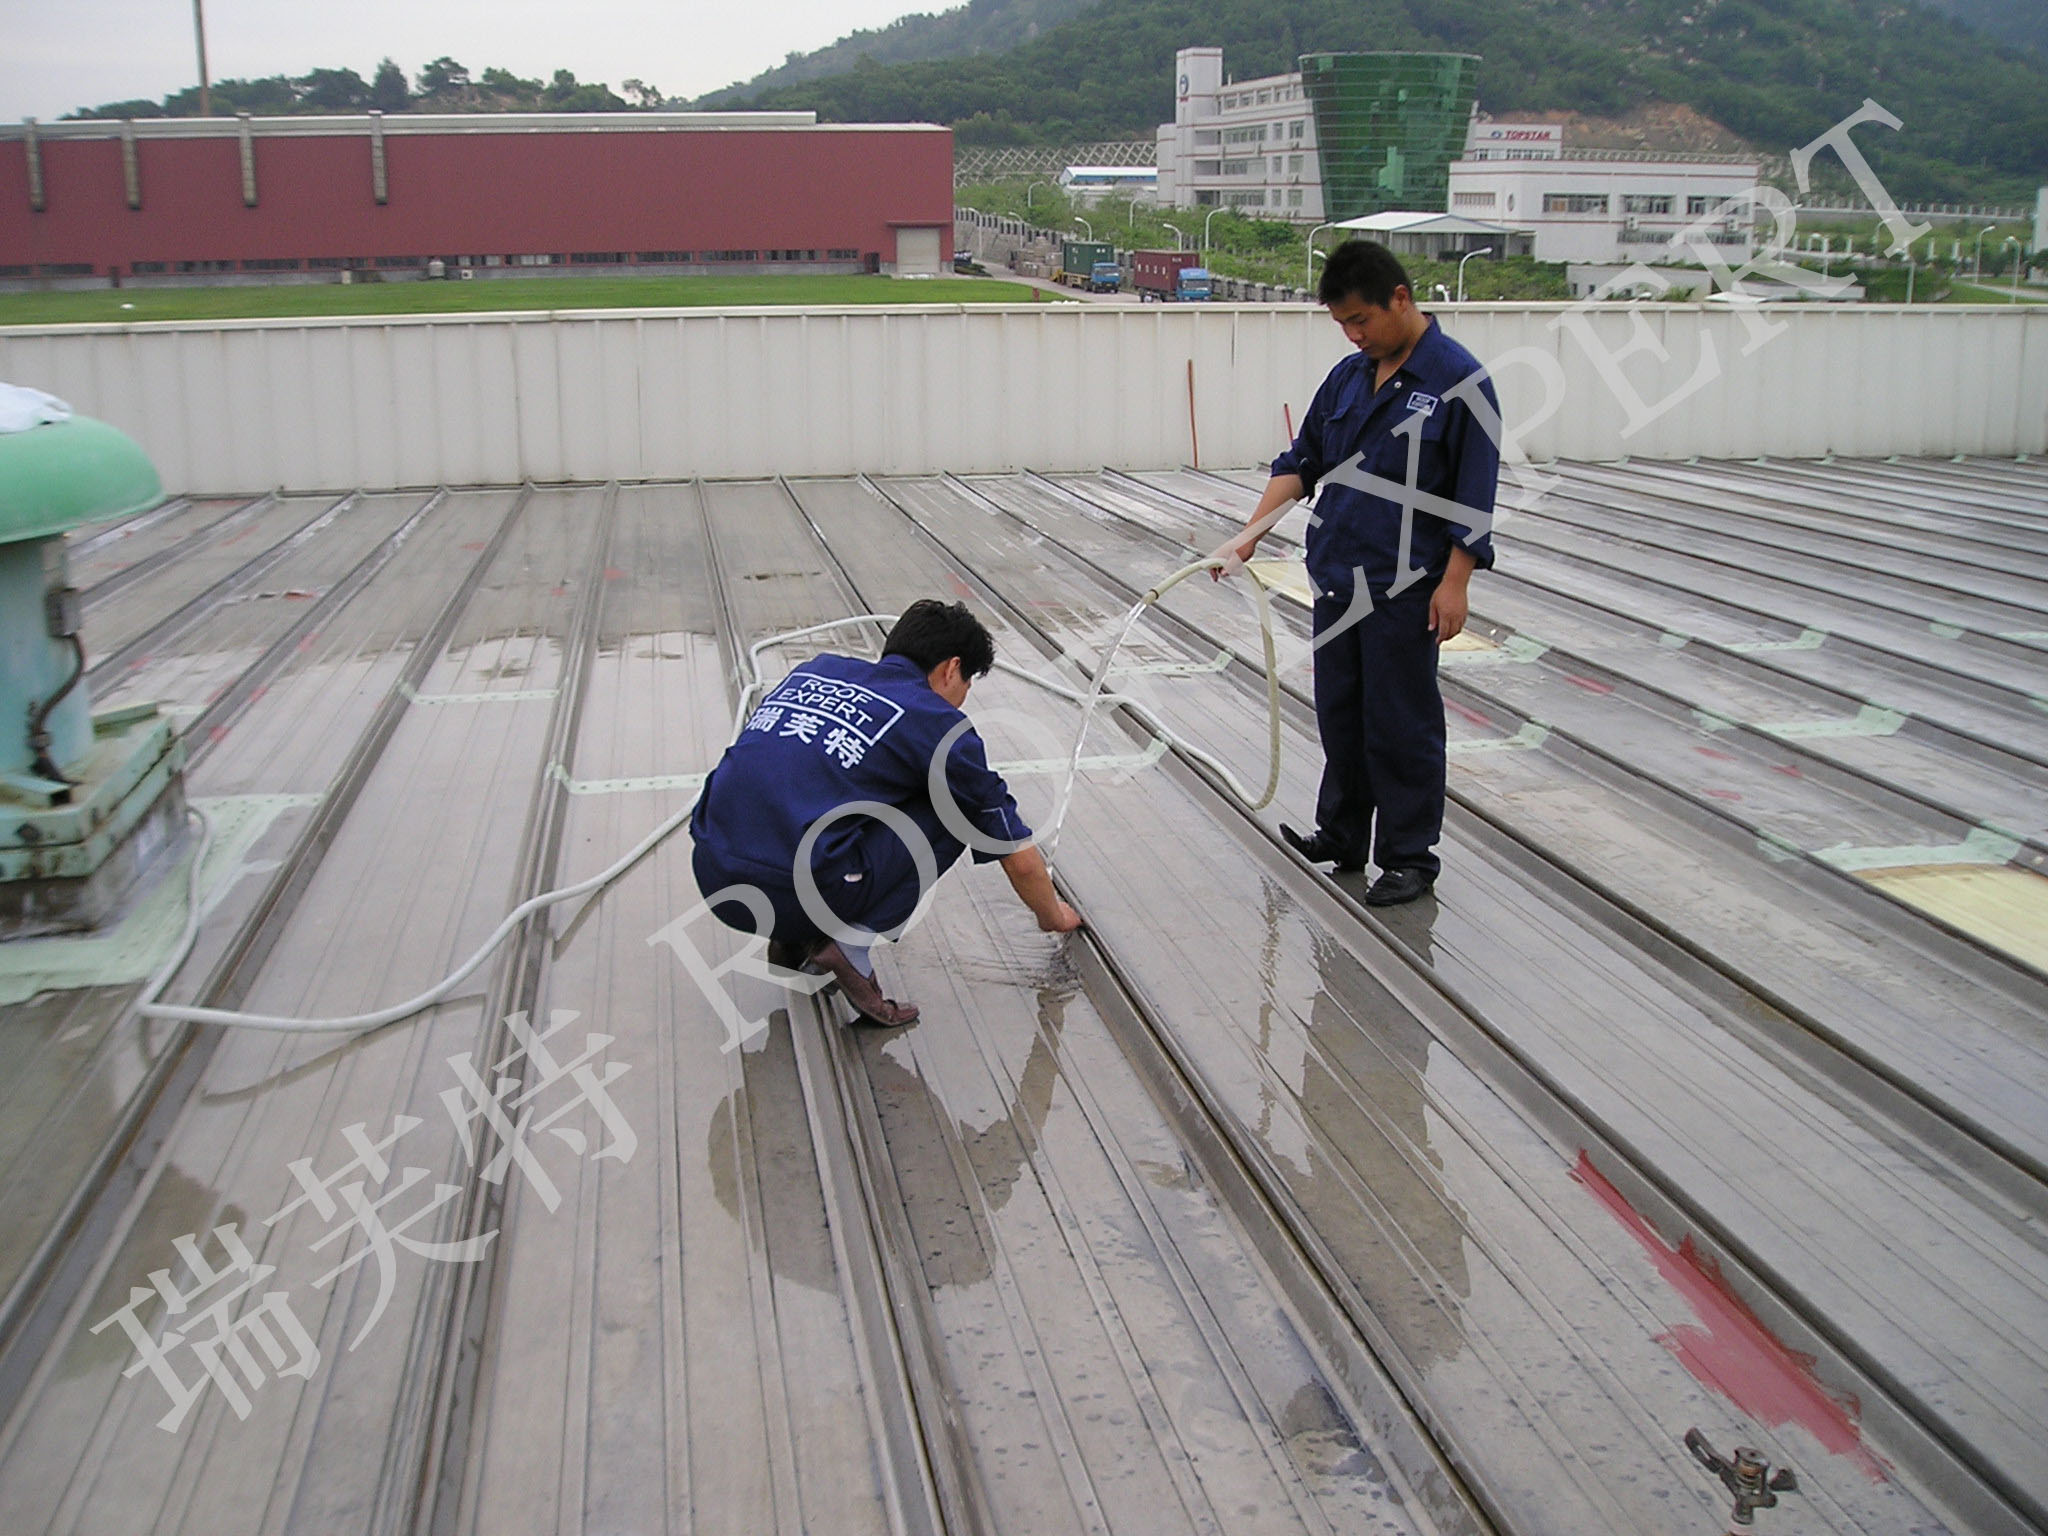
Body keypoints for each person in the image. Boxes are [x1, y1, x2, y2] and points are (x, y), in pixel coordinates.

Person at [1223, 240, 1499, 906]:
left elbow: (1475, 490)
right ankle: (1342, 835)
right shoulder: (1348, 378)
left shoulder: (1461, 382)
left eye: (1362, 321)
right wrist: (1248, 536)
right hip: (1339, 577)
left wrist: (1456, 580)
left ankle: (1408, 856)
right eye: (1344, 325)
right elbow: (1301, 462)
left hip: (1408, 587)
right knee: (1342, 713)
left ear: (1399, 300)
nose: (1355, 335)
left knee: (1400, 720)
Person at [689, 599, 1083, 1025]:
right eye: (966, 684)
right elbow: (1017, 858)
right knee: (954, 807)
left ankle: (793, 936)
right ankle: (848, 947)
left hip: (715, 876)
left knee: (813, 795)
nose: (962, 700)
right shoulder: (937, 724)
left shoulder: (814, 670)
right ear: (952, 669)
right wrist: (1054, 916)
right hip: (795, 892)